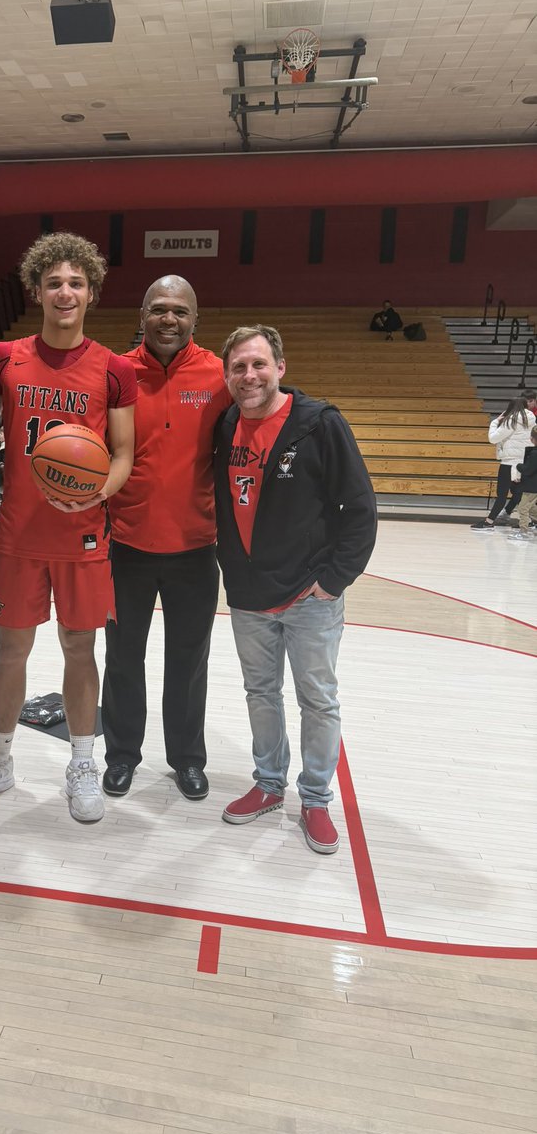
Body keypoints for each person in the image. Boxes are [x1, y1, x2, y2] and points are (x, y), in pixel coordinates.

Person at [0, 232, 136, 825]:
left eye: (77, 283)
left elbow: (123, 455)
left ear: (92, 292)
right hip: (18, 533)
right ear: (36, 290)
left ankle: (82, 763)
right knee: (11, 650)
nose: (66, 292)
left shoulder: (113, 369)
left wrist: (92, 491)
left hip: (84, 535)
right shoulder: (4, 356)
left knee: (80, 648)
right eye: (55, 282)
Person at [214, 325, 377, 855]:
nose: (249, 376)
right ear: (227, 375)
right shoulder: (225, 425)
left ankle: (315, 798)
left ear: (280, 367)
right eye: (238, 367)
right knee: (260, 694)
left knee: (317, 700)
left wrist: (332, 582)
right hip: (247, 594)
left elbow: (361, 511)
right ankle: (267, 784)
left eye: (258, 364)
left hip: (310, 595)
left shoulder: (319, 424)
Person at [102, 276, 231, 801]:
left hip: (196, 549)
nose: (169, 319)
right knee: (122, 658)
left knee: (188, 659)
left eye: (179, 311)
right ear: (142, 314)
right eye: (159, 309)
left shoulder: (221, 377)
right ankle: (121, 755)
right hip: (125, 547)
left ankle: (186, 758)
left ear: (194, 318)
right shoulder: (114, 372)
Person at [470, 392, 537, 531]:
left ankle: (489, 522)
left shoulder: (512, 420)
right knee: (520, 494)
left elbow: (493, 438)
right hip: (524, 461)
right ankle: (529, 521)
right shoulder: (532, 419)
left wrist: (495, 422)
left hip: (509, 462)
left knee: (502, 494)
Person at [509, 424, 537, 541]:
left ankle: (523, 531)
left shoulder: (535, 454)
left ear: (532, 439)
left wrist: (519, 466)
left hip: (531, 486)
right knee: (530, 508)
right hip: (534, 486)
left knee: (522, 508)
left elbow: (528, 470)